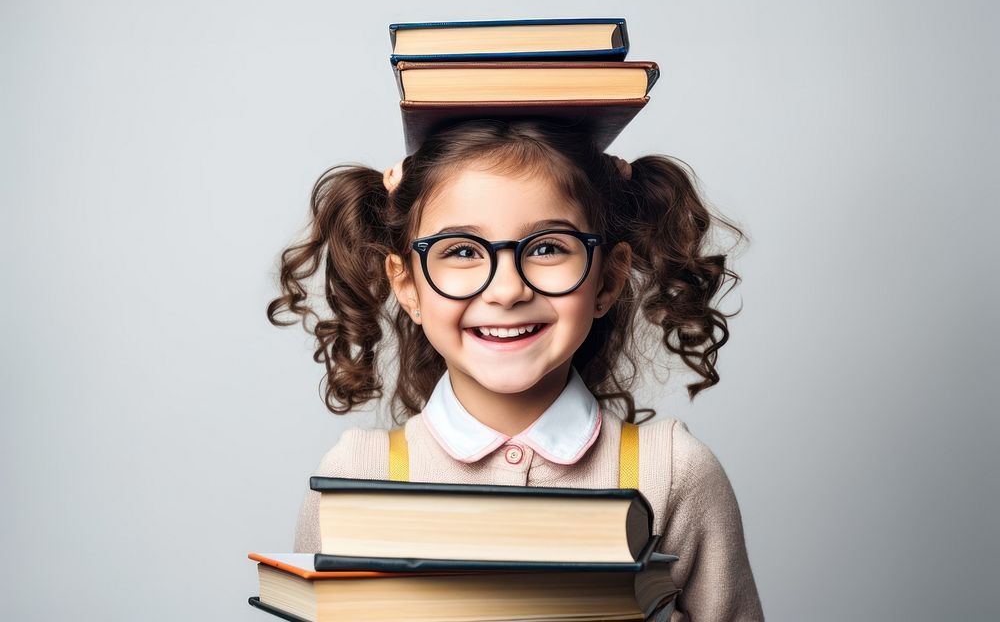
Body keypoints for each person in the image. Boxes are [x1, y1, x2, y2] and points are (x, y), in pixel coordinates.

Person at [267, 117, 765, 621]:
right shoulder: (355, 477)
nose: (507, 290)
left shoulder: (674, 473)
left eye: (548, 247)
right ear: (408, 287)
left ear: (608, 280)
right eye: (461, 251)